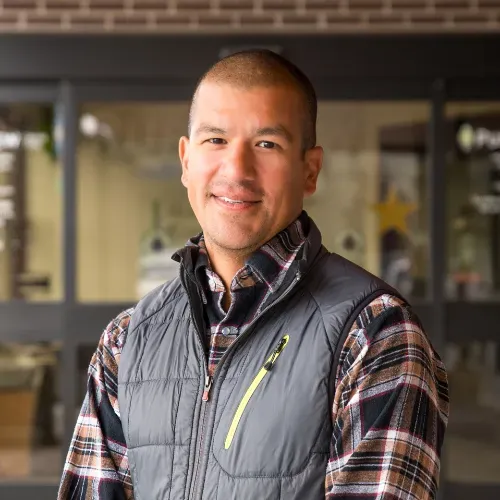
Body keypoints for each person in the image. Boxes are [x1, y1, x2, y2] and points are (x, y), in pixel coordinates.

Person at [58, 50, 449, 500]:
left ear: (310, 169)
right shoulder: (127, 342)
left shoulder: (375, 333)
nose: (237, 169)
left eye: (267, 144)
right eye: (215, 140)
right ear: (186, 161)